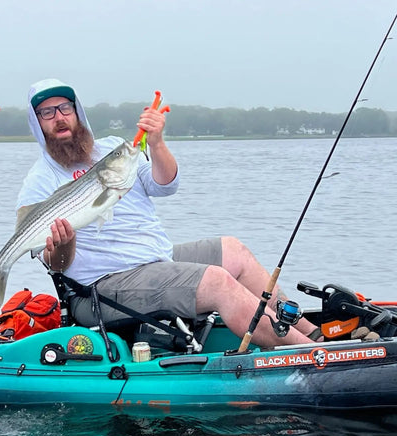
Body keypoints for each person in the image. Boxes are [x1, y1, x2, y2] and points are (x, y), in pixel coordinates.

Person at [17, 78, 322, 348]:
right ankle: (312, 353)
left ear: (77, 112)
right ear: (37, 122)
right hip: (101, 287)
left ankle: (316, 334)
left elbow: (164, 185)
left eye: (64, 108)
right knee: (217, 281)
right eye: (47, 112)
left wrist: (158, 143)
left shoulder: (114, 150)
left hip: (156, 259)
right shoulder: (39, 180)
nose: (59, 118)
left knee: (235, 251)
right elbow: (56, 265)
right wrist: (64, 243)